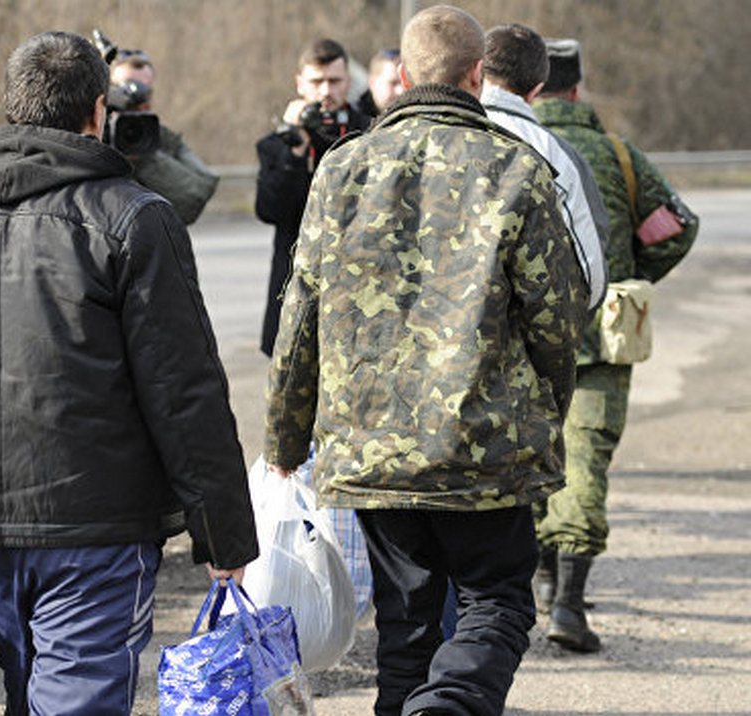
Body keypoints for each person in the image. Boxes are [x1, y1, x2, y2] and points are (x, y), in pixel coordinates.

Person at [0, 31, 257, 715]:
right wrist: (224, 532)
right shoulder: (134, 217)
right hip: (99, 523)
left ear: (9, 106)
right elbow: (184, 390)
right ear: (98, 111)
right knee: (69, 698)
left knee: (32, 690)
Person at [264, 6, 583, 715]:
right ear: (477, 76)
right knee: (496, 602)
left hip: (371, 446)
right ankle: (452, 704)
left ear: (402, 77)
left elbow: (300, 316)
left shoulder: (341, 168)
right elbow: (558, 322)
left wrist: (284, 439)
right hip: (483, 445)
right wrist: (543, 416)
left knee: (405, 624)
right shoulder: (515, 168)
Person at [532, 37, 699, 653]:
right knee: (585, 464)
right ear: (577, 90)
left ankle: (540, 578)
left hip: (521, 345)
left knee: (524, 457)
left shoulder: (506, 146)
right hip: (601, 343)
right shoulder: (619, 158)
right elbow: (676, 228)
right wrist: (635, 274)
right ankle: (568, 606)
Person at [255, 38, 370, 357]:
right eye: (316, 82)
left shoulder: (372, 134)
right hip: (296, 285)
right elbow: (269, 210)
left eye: (334, 81)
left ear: (348, 81)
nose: (325, 91)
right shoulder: (278, 143)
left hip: (357, 287)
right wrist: (295, 148)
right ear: (300, 84)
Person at [482, 23, 607, 313]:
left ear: (478, 72)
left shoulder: (437, 132)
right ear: (536, 90)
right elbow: (591, 271)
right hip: (518, 343)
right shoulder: (557, 154)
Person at [108, 46, 218, 224]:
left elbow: (196, 196)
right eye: (127, 89)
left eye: (146, 92)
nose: (138, 99)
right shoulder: (91, 136)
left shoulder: (159, 137)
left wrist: (143, 156)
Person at [357, 47, 404, 117]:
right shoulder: (354, 120)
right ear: (372, 83)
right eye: (393, 83)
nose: (401, 91)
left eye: (405, 82)